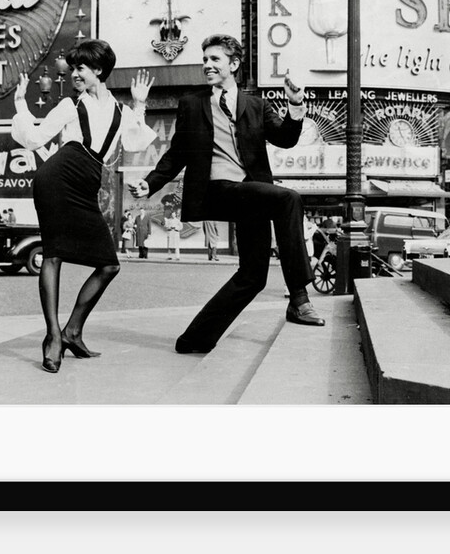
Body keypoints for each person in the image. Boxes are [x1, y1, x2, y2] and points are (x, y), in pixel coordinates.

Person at [129, 34, 324, 355]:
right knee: (287, 198)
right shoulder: (192, 103)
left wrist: (295, 104)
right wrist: (150, 183)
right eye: (205, 59)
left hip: (249, 193)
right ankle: (299, 299)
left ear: (233, 64)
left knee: (253, 276)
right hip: (216, 190)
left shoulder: (256, 105)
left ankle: (195, 339)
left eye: (214, 59)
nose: (207, 65)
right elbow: (177, 153)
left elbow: (286, 139)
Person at [11, 39, 156, 373]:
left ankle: (72, 331)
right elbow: (34, 138)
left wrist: (140, 104)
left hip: (86, 185)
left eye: (80, 68)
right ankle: (53, 337)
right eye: (72, 68)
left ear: (99, 70)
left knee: (109, 265)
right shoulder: (69, 105)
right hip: (56, 178)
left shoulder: (122, 111)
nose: (74, 74)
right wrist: (20, 103)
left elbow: (135, 143)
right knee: (53, 254)